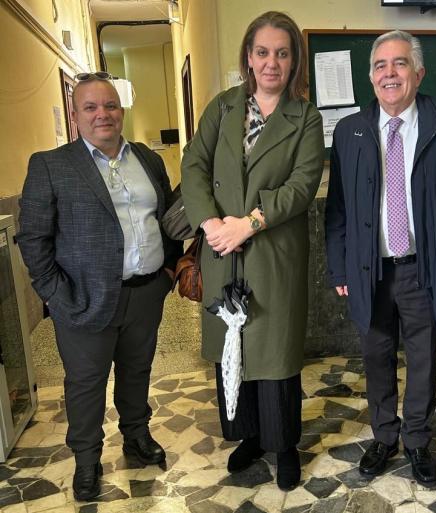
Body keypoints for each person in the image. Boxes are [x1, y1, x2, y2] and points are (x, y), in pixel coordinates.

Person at [325, 30, 436, 487]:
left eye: (399, 63)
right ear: (371, 76)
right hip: (369, 270)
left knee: (423, 360)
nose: (389, 73)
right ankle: (384, 435)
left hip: (423, 269)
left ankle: (416, 439)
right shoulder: (350, 131)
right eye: (380, 65)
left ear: (419, 73)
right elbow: (338, 210)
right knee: (375, 357)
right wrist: (339, 266)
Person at [17, 74, 182, 501]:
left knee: (137, 370)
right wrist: (54, 293)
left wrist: (167, 271)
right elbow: (33, 238)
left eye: (109, 105)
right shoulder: (50, 165)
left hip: (145, 292)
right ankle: (87, 460)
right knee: (86, 383)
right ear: (75, 115)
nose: (102, 114)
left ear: (121, 110)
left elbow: (165, 216)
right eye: (90, 107)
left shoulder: (147, 159)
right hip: (82, 299)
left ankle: (136, 436)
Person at [180, 11, 323, 491]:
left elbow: (302, 185)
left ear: (294, 60)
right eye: (262, 52)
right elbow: (194, 165)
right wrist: (211, 223)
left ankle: (284, 445)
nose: (271, 63)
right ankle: (251, 437)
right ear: (248, 56)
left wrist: (248, 224)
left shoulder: (305, 117)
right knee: (232, 345)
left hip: (273, 251)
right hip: (221, 248)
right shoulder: (223, 108)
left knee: (275, 352)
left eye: (282, 53)